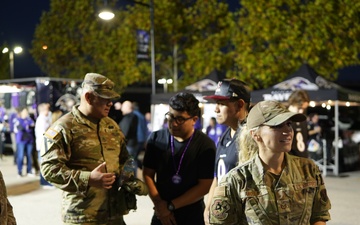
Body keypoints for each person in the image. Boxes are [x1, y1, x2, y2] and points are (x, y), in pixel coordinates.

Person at [40, 73, 143, 225]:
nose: (110, 104)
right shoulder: (64, 127)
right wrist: (88, 179)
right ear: (88, 97)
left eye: (111, 100)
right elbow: (49, 169)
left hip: (114, 215)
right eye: (105, 99)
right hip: (83, 217)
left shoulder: (111, 125)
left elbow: (125, 159)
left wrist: (128, 179)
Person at [209, 100, 331, 224]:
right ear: (255, 135)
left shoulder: (309, 169)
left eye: (289, 124)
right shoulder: (236, 180)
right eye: (277, 125)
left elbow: (319, 215)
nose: (288, 131)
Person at [143, 92, 216, 225]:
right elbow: (148, 174)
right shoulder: (156, 139)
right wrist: (159, 204)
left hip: (192, 215)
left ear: (194, 120)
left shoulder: (205, 145)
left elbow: (205, 185)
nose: (174, 124)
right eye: (171, 117)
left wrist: (170, 206)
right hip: (161, 213)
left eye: (180, 119)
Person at [202, 79, 250, 224]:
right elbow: (218, 177)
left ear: (240, 104)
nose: (216, 109)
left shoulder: (252, 136)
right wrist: (208, 207)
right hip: (225, 214)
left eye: (222, 104)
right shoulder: (225, 136)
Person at [287, 90, 310, 158]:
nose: (301, 111)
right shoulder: (285, 119)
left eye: (304, 109)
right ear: (293, 103)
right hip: (290, 160)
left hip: (302, 159)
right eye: (299, 108)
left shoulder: (302, 119)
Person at [14, 107, 35, 177]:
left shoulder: (29, 119)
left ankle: (29, 171)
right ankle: (19, 171)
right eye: (24, 112)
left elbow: (32, 125)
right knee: (21, 156)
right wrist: (27, 127)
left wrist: (27, 126)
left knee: (29, 155)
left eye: (27, 112)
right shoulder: (18, 120)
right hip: (21, 141)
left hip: (29, 140)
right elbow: (20, 128)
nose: (26, 113)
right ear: (21, 112)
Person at [119, 101, 139, 175]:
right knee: (132, 162)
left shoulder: (128, 118)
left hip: (128, 145)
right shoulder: (134, 116)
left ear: (128, 107)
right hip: (132, 144)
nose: (121, 109)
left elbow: (124, 133)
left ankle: (130, 179)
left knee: (129, 164)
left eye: (123, 107)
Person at [35, 103, 52, 186]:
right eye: (47, 109)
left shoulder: (45, 119)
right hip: (42, 145)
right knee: (43, 164)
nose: (48, 111)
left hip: (44, 144)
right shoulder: (41, 120)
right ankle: (44, 182)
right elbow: (44, 133)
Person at [132, 101, 148, 170]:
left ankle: (134, 175)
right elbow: (145, 128)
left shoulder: (133, 115)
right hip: (142, 139)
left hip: (135, 139)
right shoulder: (141, 115)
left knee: (132, 158)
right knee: (135, 157)